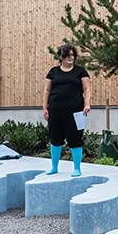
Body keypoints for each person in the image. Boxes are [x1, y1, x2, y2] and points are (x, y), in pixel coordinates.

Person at [42, 43, 91, 177]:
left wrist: (87, 104)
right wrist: (45, 108)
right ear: (61, 57)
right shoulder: (53, 72)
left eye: (72, 55)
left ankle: (77, 168)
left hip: (76, 112)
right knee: (55, 139)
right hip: (55, 111)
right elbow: (46, 90)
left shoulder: (80, 71)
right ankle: (54, 167)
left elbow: (87, 89)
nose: (70, 58)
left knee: (75, 140)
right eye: (67, 55)